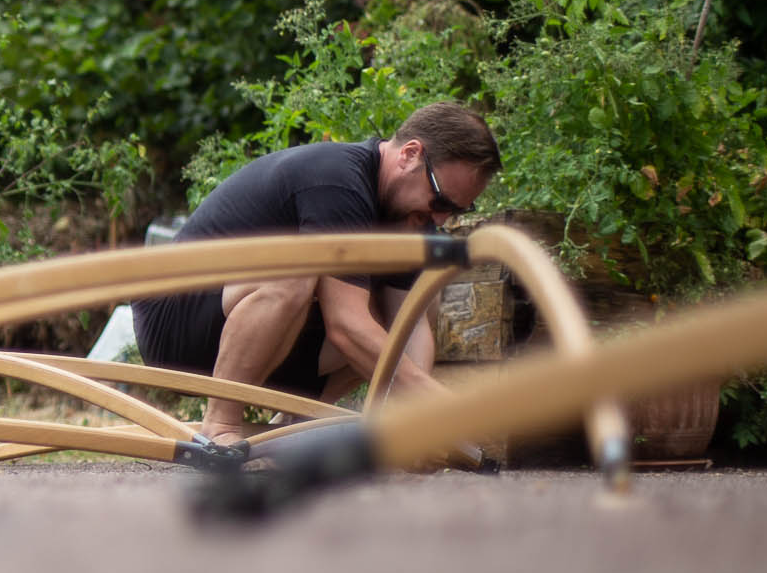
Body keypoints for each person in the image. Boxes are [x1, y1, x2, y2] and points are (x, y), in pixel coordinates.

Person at [134, 101, 500, 444]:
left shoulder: (408, 219)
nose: (440, 219)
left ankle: (293, 426)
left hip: (253, 322)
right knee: (296, 272)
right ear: (410, 154)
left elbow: (410, 329)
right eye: (440, 200)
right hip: (178, 324)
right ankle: (221, 425)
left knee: (420, 300)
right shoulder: (337, 180)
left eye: (454, 211)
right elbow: (345, 326)